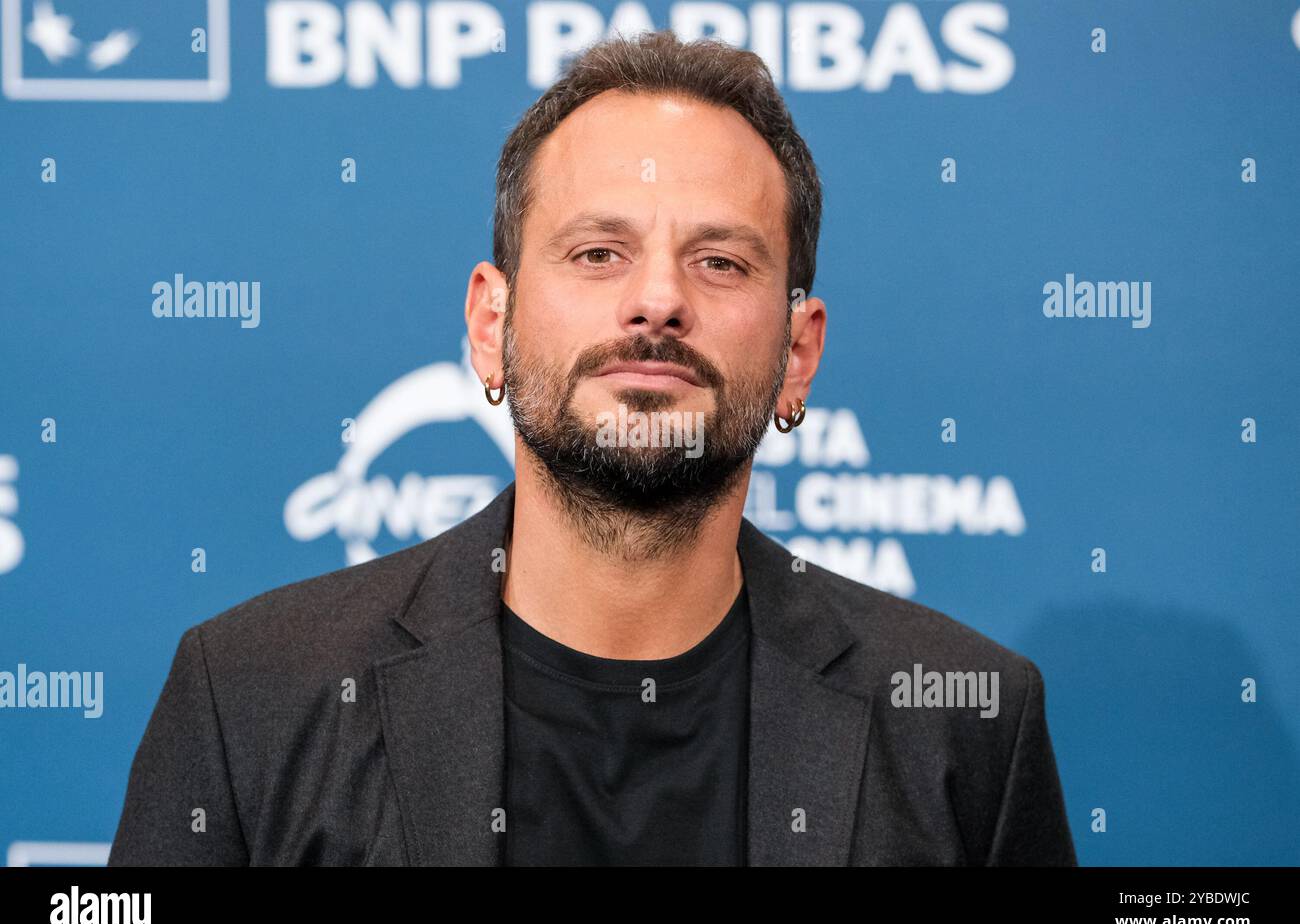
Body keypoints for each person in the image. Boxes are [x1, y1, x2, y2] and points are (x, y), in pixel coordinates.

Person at [108, 29, 1075, 866]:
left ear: (799, 354)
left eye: (721, 261)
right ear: (492, 324)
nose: (658, 300)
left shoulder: (964, 723)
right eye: (599, 252)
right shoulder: (251, 696)